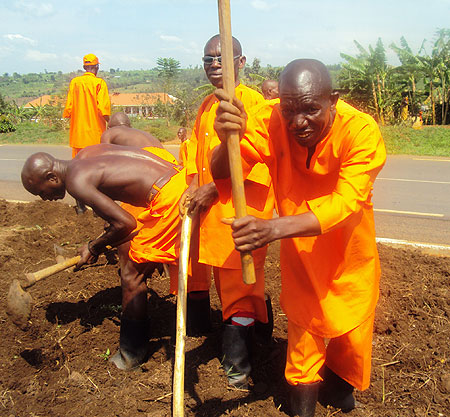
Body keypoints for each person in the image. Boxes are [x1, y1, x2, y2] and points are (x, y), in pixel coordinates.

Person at [211, 59, 386, 416]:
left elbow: (345, 203)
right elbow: (222, 171)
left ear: (333, 101)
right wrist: (227, 136)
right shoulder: (269, 118)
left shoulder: (362, 132)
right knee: (304, 336)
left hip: (349, 253)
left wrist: (272, 229)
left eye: (310, 109)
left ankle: (338, 387)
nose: (298, 122)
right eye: (289, 110)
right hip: (301, 255)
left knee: (349, 339)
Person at [21, 144, 188, 371]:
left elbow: (126, 223)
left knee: (131, 277)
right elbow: (119, 211)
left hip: (169, 197)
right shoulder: (85, 156)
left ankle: (131, 355)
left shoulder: (75, 182)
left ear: (51, 177)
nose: (44, 199)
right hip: (177, 180)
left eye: (42, 192)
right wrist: (104, 239)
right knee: (131, 254)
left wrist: (93, 247)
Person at [181, 34, 274, 388]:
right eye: (208, 60)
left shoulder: (254, 105)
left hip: (243, 213)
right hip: (212, 212)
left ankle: (239, 364)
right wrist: (193, 186)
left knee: (240, 291)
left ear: (242, 61)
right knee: (230, 286)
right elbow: (195, 155)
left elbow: (257, 163)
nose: (215, 65)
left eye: (222, 58)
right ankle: (259, 333)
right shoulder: (207, 105)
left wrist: (212, 187)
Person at [63, 53, 111, 215]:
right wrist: (110, 124)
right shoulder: (99, 83)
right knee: (98, 172)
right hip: (95, 136)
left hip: (77, 135)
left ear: (84, 67)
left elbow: (68, 109)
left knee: (77, 170)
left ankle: (81, 208)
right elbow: (103, 108)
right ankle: (98, 210)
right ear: (96, 67)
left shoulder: (75, 83)